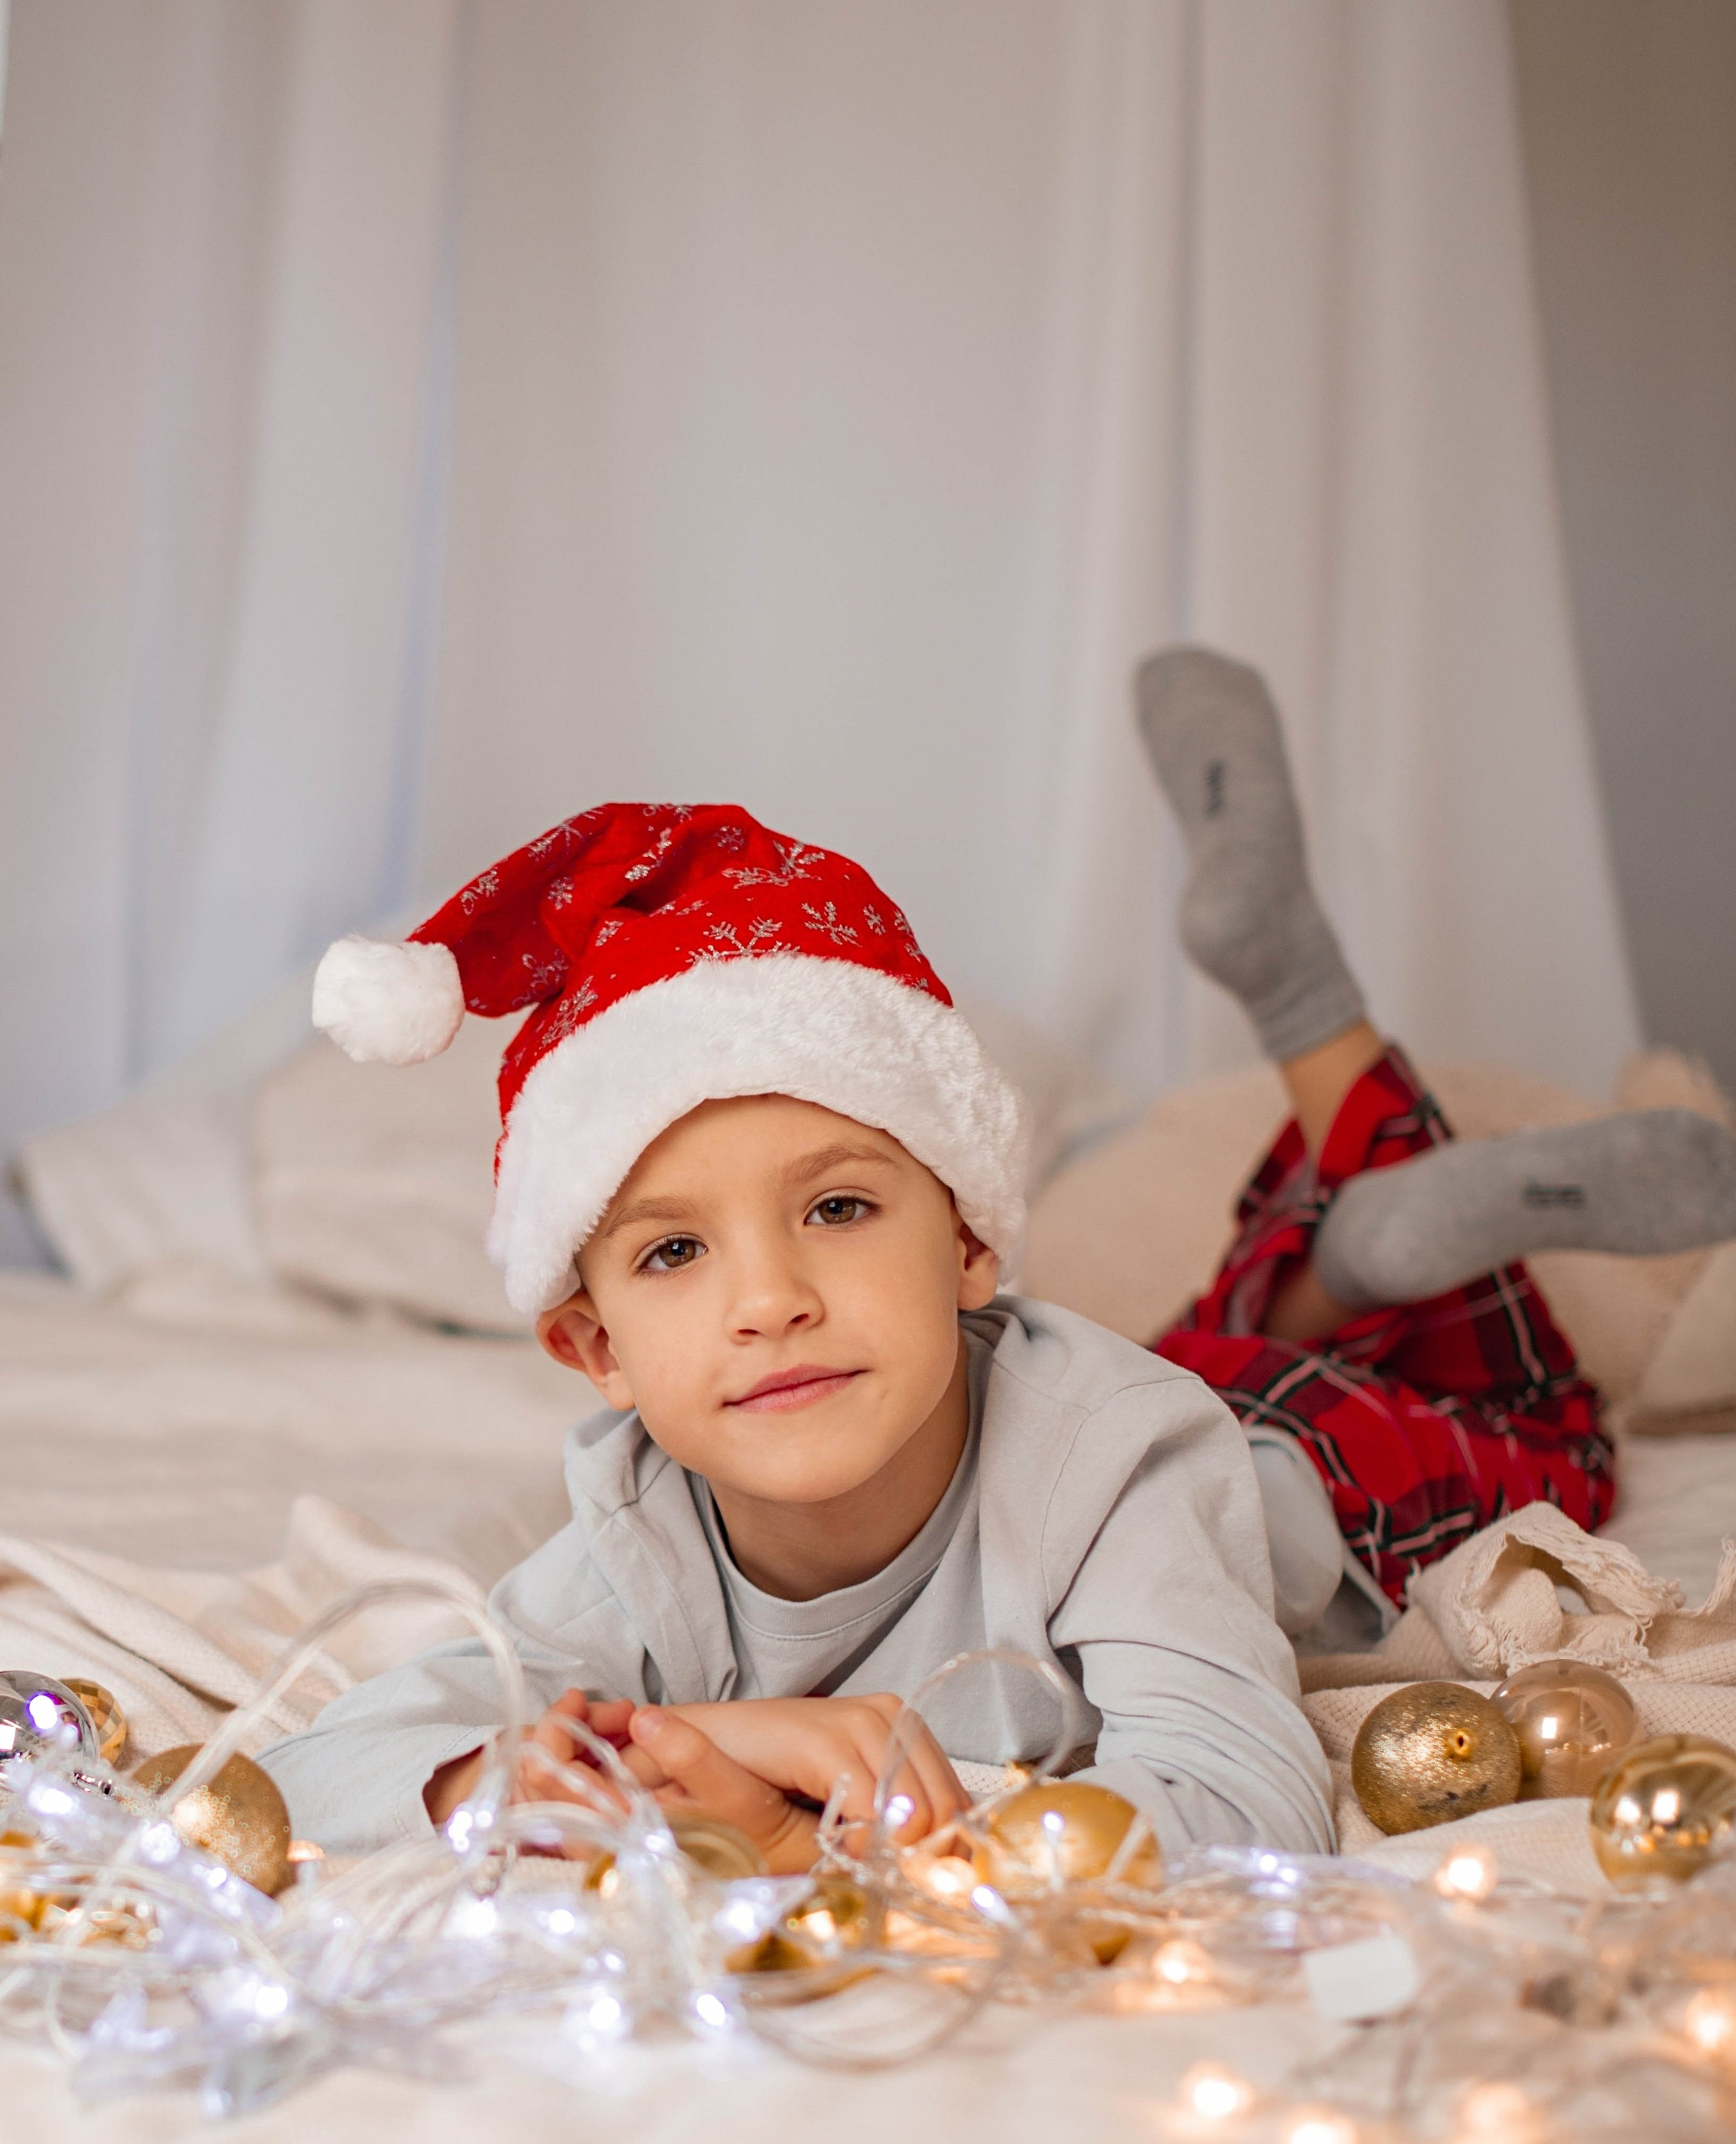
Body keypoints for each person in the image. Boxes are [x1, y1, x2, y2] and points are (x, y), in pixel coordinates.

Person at [261, 803, 1334, 1865]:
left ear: (968, 1242)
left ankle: (1338, 1155)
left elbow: (1244, 1803)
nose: (771, 1301)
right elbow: (299, 1778)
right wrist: (551, 1772)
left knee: (1336, 1347)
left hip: (1314, 1462)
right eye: (673, 1252)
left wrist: (847, 1838)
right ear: (599, 1351)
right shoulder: (638, 1541)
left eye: (837, 1209)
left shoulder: (1117, 1464)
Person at [1134, 647, 1736, 1643]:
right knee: (1228, 1376)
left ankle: (1357, 1241)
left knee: (1241, 1415)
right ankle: (1321, 1084)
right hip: (1201, 1406)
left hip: (1225, 1444)